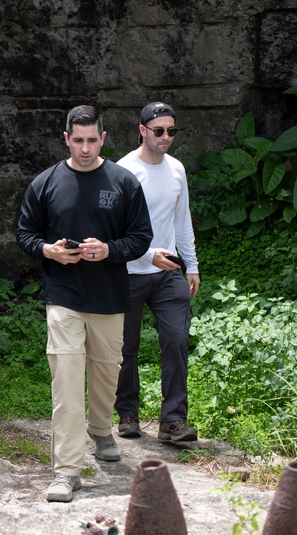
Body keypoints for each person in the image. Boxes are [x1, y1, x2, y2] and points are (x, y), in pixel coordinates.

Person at [17, 105, 153, 503]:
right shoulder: (45, 183)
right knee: (66, 380)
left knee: (107, 373)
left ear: (104, 138)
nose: (85, 147)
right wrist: (49, 251)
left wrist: (108, 250)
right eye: (78, 140)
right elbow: (25, 234)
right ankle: (67, 471)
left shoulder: (124, 182)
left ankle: (100, 429)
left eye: (92, 139)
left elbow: (141, 237)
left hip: (110, 296)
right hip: (63, 296)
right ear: (66, 139)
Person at [115, 102, 201, 443]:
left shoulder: (177, 169)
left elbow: (182, 221)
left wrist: (191, 265)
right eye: (159, 131)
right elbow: (113, 229)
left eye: (172, 131)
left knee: (177, 339)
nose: (166, 137)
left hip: (168, 273)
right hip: (127, 271)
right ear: (142, 130)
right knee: (125, 347)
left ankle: (173, 421)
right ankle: (127, 414)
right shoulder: (122, 171)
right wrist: (147, 254)